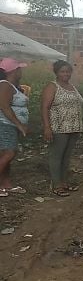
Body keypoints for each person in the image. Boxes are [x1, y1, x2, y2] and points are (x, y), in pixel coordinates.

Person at [41, 60, 83, 197]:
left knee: (66, 156)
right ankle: (56, 184)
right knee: (56, 156)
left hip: (73, 127)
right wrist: (47, 127)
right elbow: (44, 107)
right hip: (59, 127)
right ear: (57, 73)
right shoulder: (52, 86)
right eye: (62, 71)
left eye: (68, 71)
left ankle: (64, 182)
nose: (66, 74)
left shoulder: (71, 86)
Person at [0, 58, 29, 197]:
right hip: (5, 124)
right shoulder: (5, 85)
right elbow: (5, 107)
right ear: (14, 70)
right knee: (8, 153)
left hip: (9, 125)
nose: (21, 71)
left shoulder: (11, 85)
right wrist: (19, 124)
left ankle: (6, 184)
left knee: (8, 155)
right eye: (20, 69)